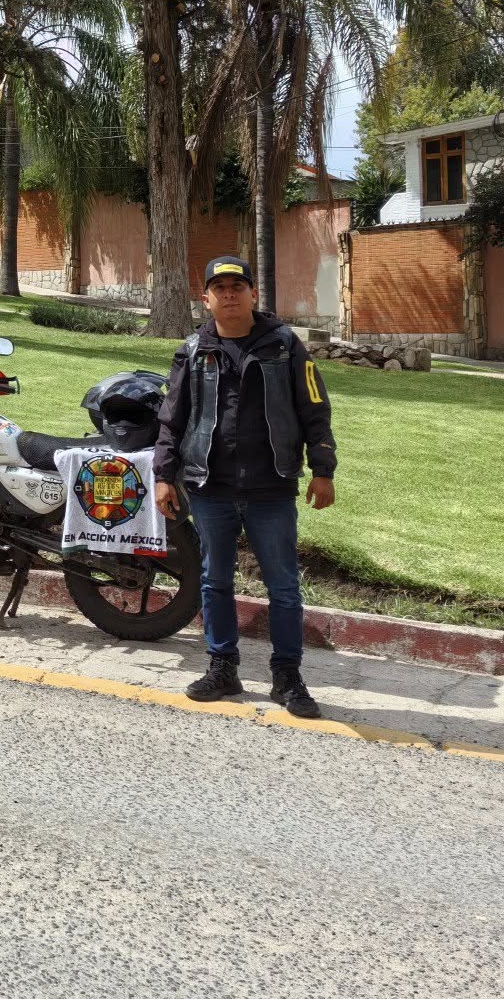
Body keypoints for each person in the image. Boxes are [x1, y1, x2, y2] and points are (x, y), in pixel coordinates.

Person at [151, 254, 337, 719]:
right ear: (206, 298)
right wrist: (162, 475)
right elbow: (172, 420)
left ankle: (287, 676)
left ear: (254, 293)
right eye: (220, 287)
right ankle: (223, 667)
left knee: (283, 586)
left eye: (238, 286)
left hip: (271, 486)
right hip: (211, 486)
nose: (229, 294)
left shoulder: (285, 346)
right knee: (214, 581)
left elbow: (315, 408)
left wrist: (323, 468)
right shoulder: (192, 351)